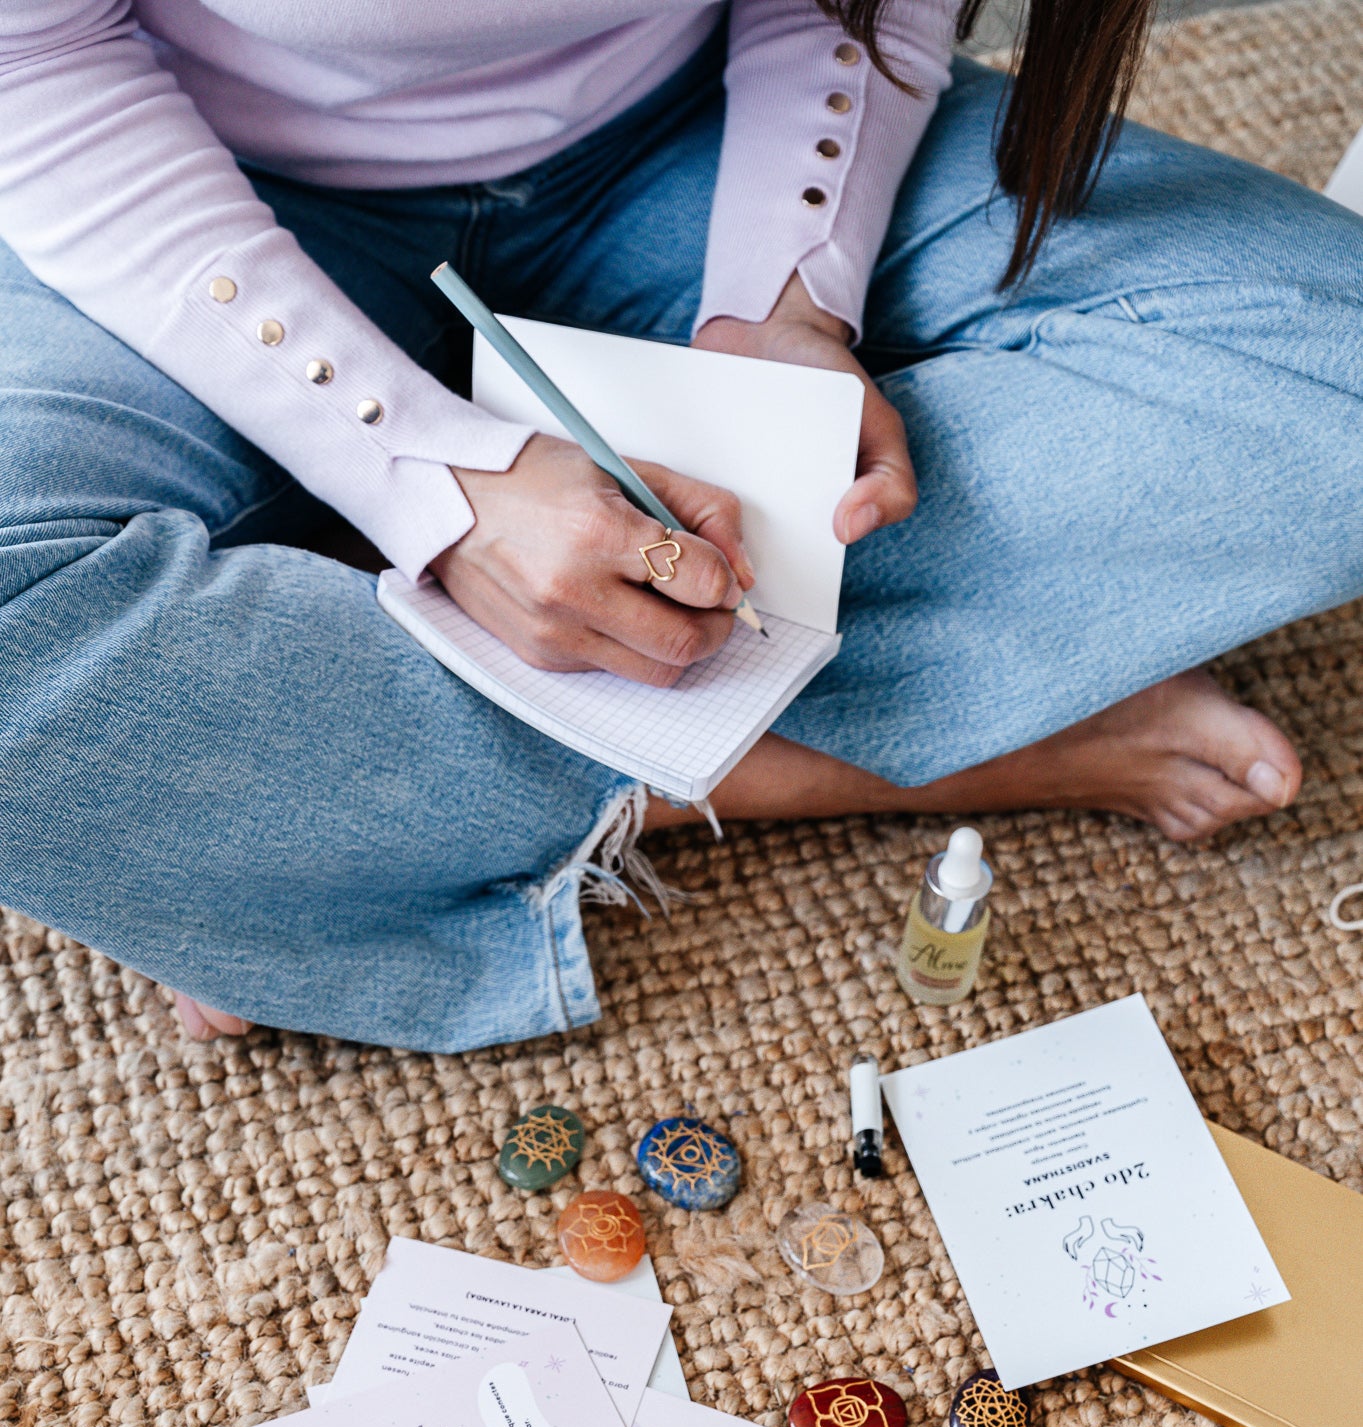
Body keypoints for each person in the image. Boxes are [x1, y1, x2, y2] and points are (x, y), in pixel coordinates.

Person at [0, 0, 1356, 1054]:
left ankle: (306, 788)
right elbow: (37, 56)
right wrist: (423, 480)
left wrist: (789, 297)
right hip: (186, 181)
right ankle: (866, 760)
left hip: (692, 135)